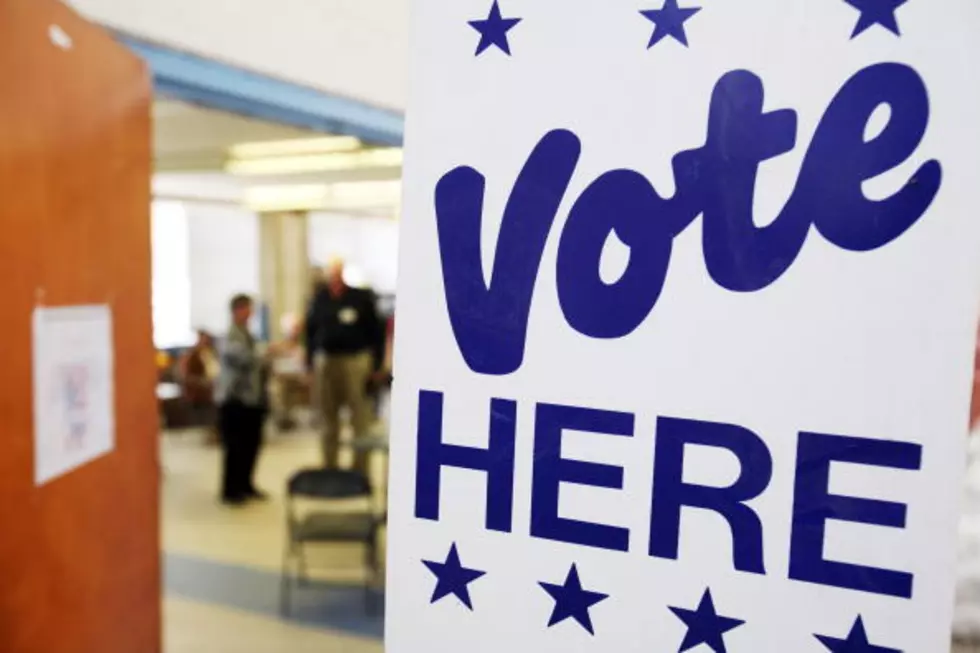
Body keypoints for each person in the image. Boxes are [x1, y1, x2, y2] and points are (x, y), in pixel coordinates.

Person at [306, 258, 384, 472]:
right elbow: (310, 331)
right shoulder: (320, 298)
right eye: (331, 273)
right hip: (327, 361)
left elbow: (376, 332)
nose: (335, 277)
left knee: (360, 416)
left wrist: (377, 365)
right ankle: (330, 466)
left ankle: (360, 468)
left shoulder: (360, 298)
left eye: (338, 273)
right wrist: (309, 364)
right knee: (328, 417)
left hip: (356, 360)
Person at [215, 294, 268, 505]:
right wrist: (264, 354)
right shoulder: (230, 335)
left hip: (252, 398)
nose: (250, 313)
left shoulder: (248, 334)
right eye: (246, 309)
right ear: (237, 311)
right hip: (234, 398)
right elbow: (242, 358)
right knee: (235, 446)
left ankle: (246, 484)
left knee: (251, 444)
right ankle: (231, 489)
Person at [179, 330, 220, 441]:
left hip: (215, 385)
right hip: (202, 389)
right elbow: (188, 376)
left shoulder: (213, 353)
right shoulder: (193, 355)